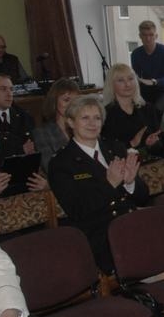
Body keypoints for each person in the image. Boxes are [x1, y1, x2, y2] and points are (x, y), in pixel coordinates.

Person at [48, 96, 150, 276]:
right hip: (101, 236)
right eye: (85, 118)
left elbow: (143, 197)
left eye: (97, 118)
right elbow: (78, 210)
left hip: (133, 225)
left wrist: (131, 183)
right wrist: (109, 184)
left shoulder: (115, 148)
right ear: (71, 122)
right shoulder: (62, 163)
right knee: (162, 266)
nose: (92, 123)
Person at [101, 63, 164, 157]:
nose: (127, 84)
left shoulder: (148, 109)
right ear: (111, 85)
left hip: (149, 162)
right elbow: (106, 151)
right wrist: (132, 144)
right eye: (121, 80)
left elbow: (159, 147)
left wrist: (152, 144)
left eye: (131, 79)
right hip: (120, 166)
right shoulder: (106, 114)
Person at [31, 77, 80, 173]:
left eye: (75, 101)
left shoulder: (84, 128)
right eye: (66, 100)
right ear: (54, 102)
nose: (72, 105)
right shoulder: (41, 133)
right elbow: (49, 167)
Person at [129, 20, 164, 118]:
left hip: (163, 92)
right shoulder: (136, 54)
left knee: (155, 111)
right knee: (135, 110)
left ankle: (154, 133)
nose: (148, 38)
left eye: (151, 35)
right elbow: (135, 77)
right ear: (140, 36)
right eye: (144, 35)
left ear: (156, 36)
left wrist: (154, 82)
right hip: (144, 91)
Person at [0, 72, 35, 153]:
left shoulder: (24, 116)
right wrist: (20, 150)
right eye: (3, 89)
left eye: (11, 89)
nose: (9, 94)